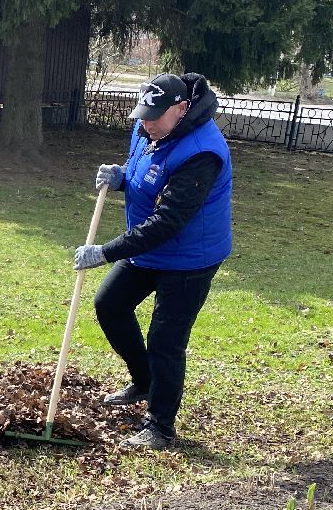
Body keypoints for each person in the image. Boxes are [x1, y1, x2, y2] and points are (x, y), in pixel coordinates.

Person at [72, 72, 233, 450]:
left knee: (166, 340)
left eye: (153, 115)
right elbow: (148, 175)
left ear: (181, 109)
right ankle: (144, 382)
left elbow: (168, 221)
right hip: (149, 249)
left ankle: (161, 427)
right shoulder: (149, 129)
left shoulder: (203, 152)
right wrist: (122, 178)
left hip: (190, 258)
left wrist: (105, 252)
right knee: (110, 304)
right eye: (142, 114)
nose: (145, 123)